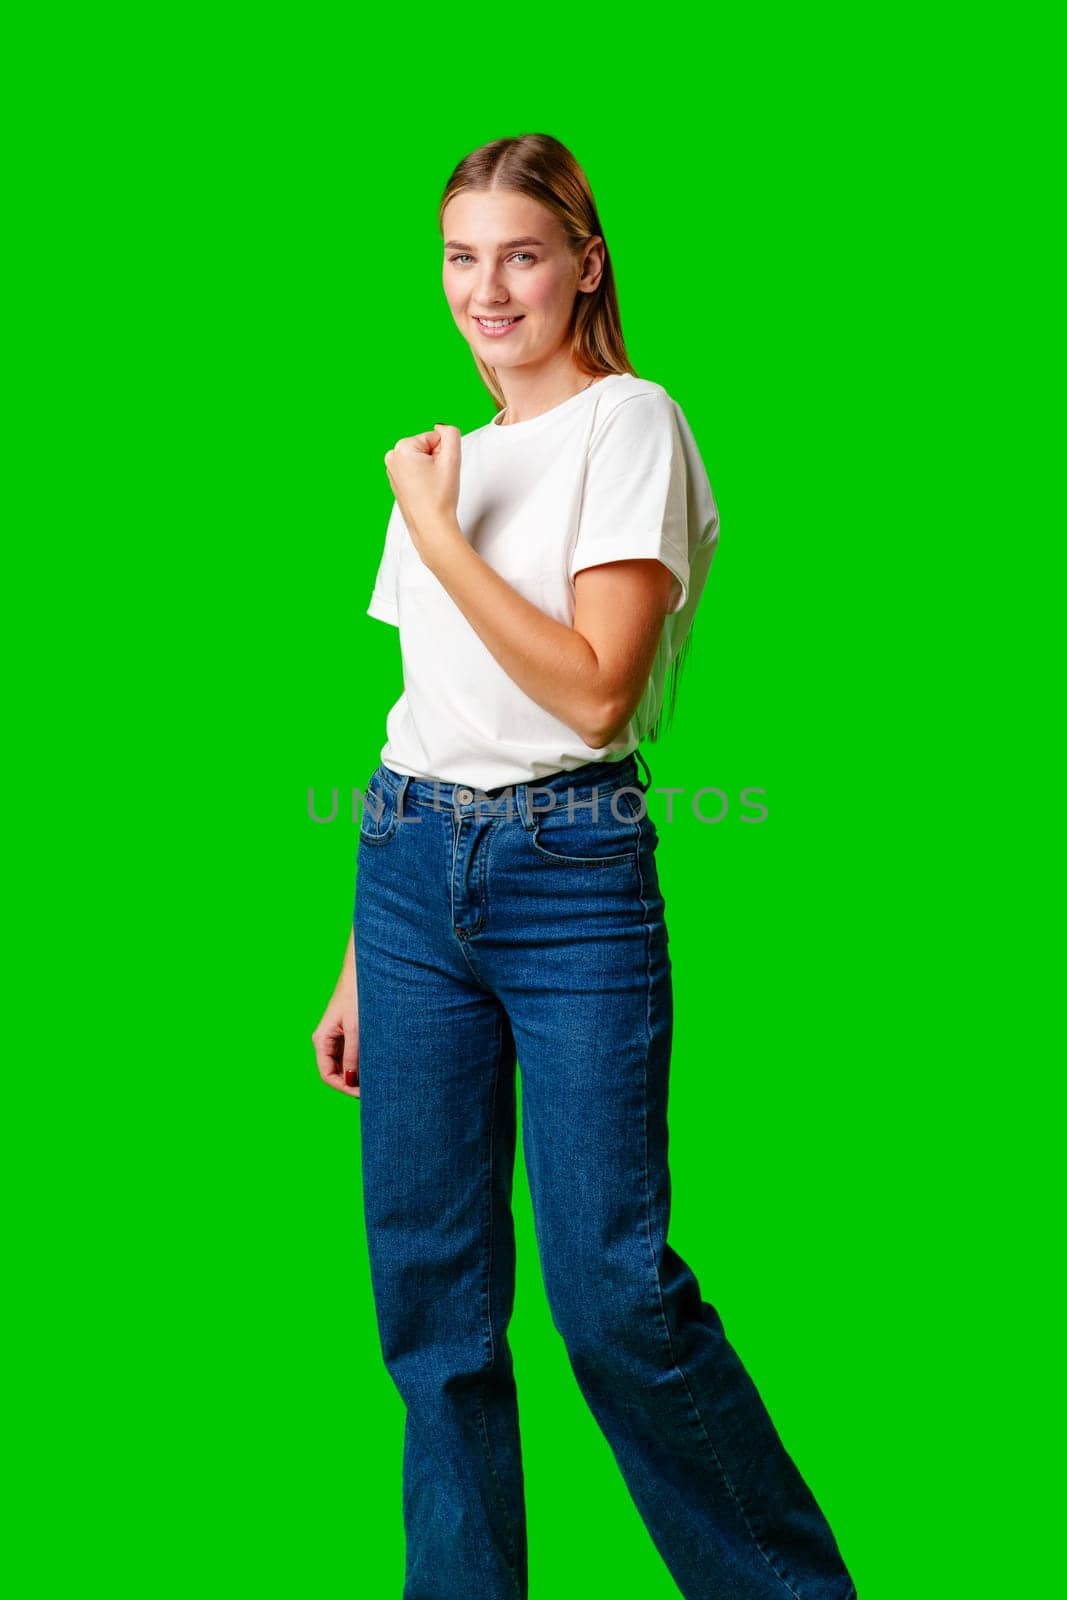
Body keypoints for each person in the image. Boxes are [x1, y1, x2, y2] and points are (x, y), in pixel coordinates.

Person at [312, 134, 858, 1600]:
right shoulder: (450, 461)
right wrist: (366, 953)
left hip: (572, 880)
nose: (487, 290)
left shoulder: (631, 426)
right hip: (411, 876)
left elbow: (597, 692)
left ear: (584, 262)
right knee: (432, 1308)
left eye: (521, 253)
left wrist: (437, 528)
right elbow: (422, 715)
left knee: (615, 1293)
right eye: (459, 257)